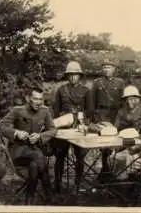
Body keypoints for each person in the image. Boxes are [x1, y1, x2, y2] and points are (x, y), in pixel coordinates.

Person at [0, 87, 56, 205]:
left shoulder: (45, 111)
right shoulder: (18, 110)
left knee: (34, 164)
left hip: (34, 150)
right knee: (40, 157)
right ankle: (49, 195)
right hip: (18, 150)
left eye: (41, 99)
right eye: (35, 99)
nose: (38, 102)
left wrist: (40, 136)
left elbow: (53, 130)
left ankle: (30, 197)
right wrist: (16, 133)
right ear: (28, 98)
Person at [52, 61, 93, 194]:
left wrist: (83, 118)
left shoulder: (86, 91)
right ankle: (57, 183)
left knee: (80, 156)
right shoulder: (61, 90)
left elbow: (90, 110)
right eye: (70, 75)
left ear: (79, 76)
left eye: (75, 75)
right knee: (60, 156)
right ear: (67, 76)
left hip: (79, 126)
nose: (73, 77)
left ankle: (78, 182)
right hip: (64, 127)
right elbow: (56, 110)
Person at [92, 59, 125, 176]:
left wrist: (121, 116)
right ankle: (105, 168)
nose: (106, 69)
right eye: (104, 67)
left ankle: (112, 168)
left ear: (114, 69)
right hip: (101, 114)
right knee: (104, 142)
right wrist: (95, 117)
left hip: (115, 114)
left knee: (114, 141)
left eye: (109, 67)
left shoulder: (120, 83)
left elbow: (123, 101)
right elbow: (93, 101)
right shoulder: (97, 83)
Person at [110, 85, 141, 180]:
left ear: (139, 100)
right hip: (122, 142)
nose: (131, 102)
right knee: (113, 157)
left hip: (138, 144)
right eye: (128, 99)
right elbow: (116, 128)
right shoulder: (121, 112)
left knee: (130, 158)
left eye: (134, 99)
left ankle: (130, 180)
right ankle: (120, 180)